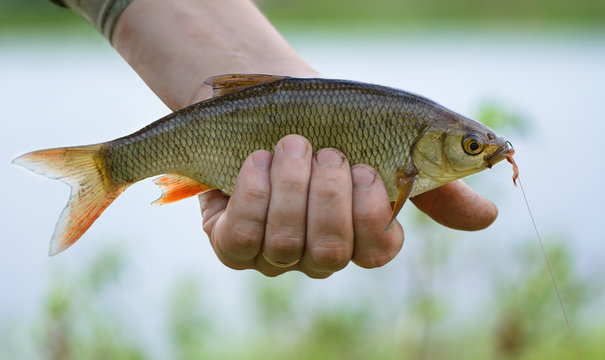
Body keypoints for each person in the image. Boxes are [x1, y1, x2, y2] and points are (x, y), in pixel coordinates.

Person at [48, 0, 498, 278]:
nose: (480, 153)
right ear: (433, 142)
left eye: (473, 147)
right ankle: (107, 168)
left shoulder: (414, 123)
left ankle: (114, 167)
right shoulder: (412, 136)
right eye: (471, 146)